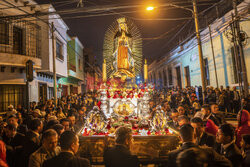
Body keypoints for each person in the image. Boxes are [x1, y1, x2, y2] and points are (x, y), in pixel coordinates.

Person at [167, 124, 231, 167]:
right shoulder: (208, 151)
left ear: (180, 138)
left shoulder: (172, 155)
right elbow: (227, 164)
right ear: (195, 135)